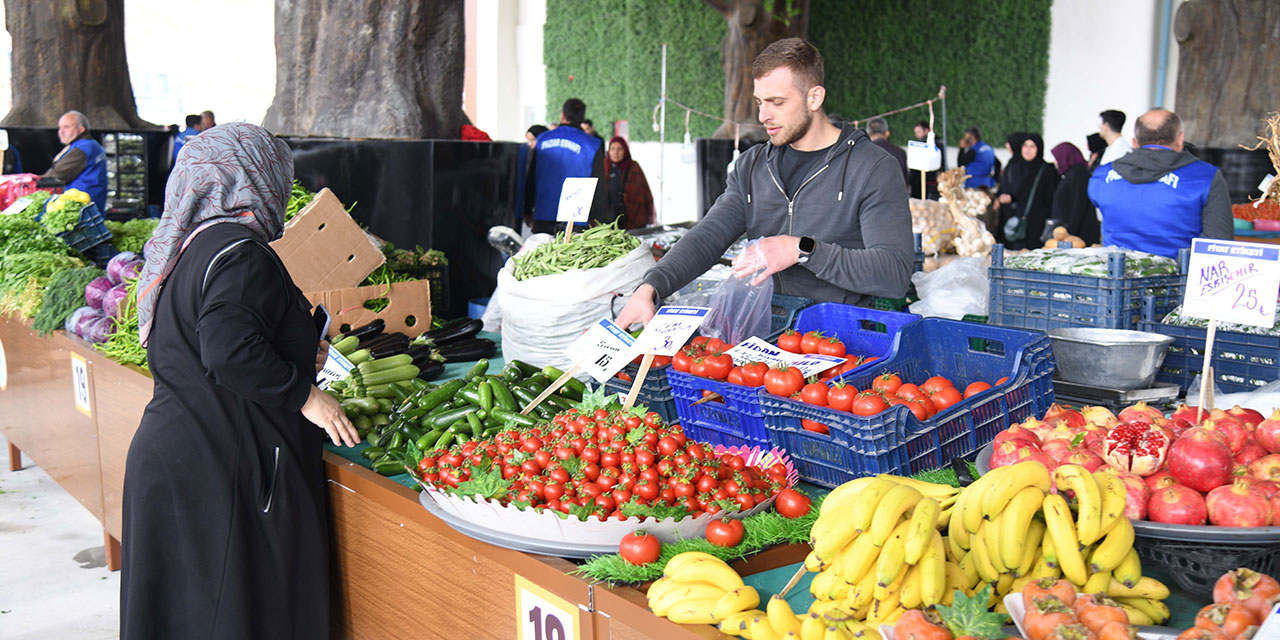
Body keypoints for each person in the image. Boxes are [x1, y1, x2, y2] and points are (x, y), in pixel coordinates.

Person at [120, 122, 358, 639]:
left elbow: (207, 337)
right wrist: (306, 396)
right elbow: (227, 350)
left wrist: (293, 350)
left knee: (185, 617)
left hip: (177, 458)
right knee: (231, 616)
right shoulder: (241, 252)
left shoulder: (187, 247)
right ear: (255, 176)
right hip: (217, 466)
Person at [614, 38, 913, 328]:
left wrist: (801, 249)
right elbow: (709, 235)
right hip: (767, 338)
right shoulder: (752, 166)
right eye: (759, 102)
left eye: (776, 102)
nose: (763, 115)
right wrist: (650, 286)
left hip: (841, 344)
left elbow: (893, 273)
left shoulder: (873, 168)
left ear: (814, 98)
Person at [1088, 109, 1232, 258]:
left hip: (1117, 275)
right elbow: (1218, 243)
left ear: (1134, 142)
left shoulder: (1101, 176)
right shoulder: (1205, 176)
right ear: (1180, 140)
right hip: (1179, 278)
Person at [524, 98, 607, 234]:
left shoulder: (542, 140)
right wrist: (599, 217)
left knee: (542, 254)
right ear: (582, 118)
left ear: (562, 114)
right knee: (572, 255)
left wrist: (527, 209)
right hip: (577, 219)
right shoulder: (592, 144)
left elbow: (531, 176)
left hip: (544, 216)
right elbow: (599, 185)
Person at [994, 133, 1059, 249]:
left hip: (1036, 226)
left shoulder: (1047, 170)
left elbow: (1050, 199)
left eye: (1032, 146)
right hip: (1013, 224)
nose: (1028, 150)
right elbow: (1005, 189)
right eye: (1025, 146)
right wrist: (1003, 197)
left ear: (1039, 149)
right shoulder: (1013, 166)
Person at [40, 110, 108, 211]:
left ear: (81, 129)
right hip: (92, 203)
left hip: (79, 206)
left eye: (66, 127)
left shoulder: (82, 149)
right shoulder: (93, 145)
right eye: (60, 127)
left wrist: (35, 183)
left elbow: (56, 175)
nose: (61, 132)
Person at [1047, 142, 1100, 246]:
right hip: (1071, 234)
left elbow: (1078, 205)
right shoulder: (1071, 174)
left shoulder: (1078, 174)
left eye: (1057, 158)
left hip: (1078, 236)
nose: (1055, 162)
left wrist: (1069, 233)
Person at [604, 136, 656, 229]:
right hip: (608, 219)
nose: (616, 152)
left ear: (625, 150)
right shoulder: (604, 167)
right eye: (612, 149)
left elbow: (644, 192)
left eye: (619, 149)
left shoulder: (634, 167)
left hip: (632, 218)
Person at [866, 117, 908, 187]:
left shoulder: (862, 153)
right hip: (895, 195)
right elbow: (905, 183)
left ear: (868, 134)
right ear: (887, 133)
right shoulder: (900, 153)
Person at [908, 120, 944, 199]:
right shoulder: (939, 144)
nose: (916, 135)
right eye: (916, 132)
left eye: (919, 132)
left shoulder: (924, 145)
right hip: (930, 183)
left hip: (924, 183)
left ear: (926, 130)